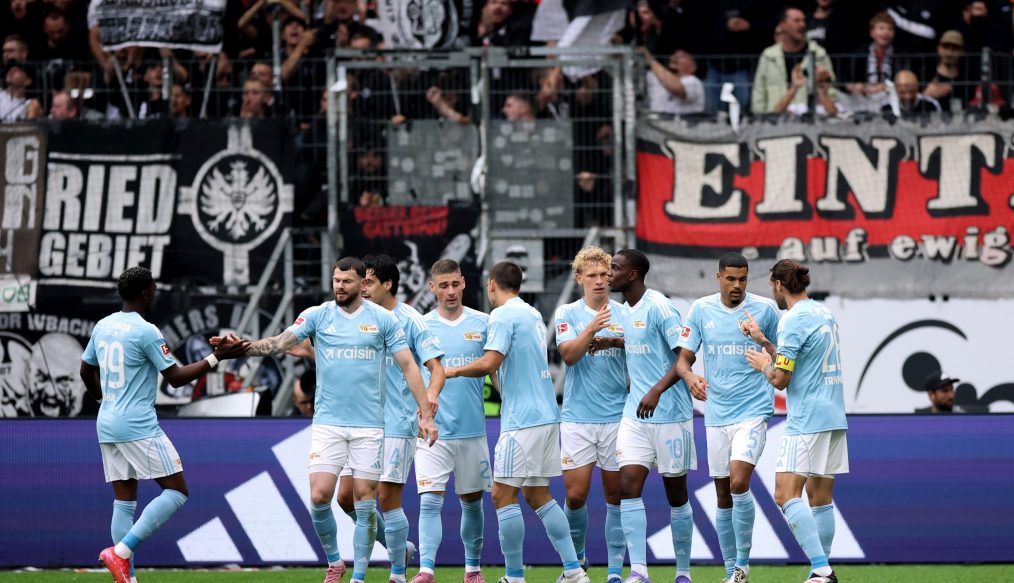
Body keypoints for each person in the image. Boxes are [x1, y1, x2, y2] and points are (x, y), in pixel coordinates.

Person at [218, 256, 439, 583]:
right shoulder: (317, 316)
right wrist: (244, 348)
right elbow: (280, 343)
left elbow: (409, 366)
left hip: (370, 427)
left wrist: (426, 414)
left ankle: (362, 577)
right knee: (322, 496)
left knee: (367, 499)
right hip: (328, 424)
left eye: (347, 281)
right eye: (336, 280)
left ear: (362, 283)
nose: (339, 286)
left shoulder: (384, 320)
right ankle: (335, 560)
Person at [81, 266, 247, 583]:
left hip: (107, 423)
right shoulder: (146, 331)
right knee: (176, 492)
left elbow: (85, 371)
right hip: (138, 425)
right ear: (146, 292)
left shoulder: (104, 326)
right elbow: (175, 378)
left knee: (124, 501)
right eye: (154, 289)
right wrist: (217, 358)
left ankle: (126, 578)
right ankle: (121, 552)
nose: (155, 293)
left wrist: (105, 401)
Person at [445, 261, 590, 583]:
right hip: (546, 415)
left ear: (491, 284)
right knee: (538, 495)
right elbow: (510, 368)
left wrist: (451, 371)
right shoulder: (531, 313)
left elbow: (490, 362)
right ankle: (574, 571)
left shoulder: (502, 315)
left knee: (501, 496)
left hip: (523, 421)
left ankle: (514, 576)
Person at [674, 253, 780, 583]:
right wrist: (690, 378)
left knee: (738, 482)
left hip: (752, 410)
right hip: (717, 415)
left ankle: (743, 564)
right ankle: (732, 570)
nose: (737, 285)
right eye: (731, 279)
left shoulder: (764, 310)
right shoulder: (701, 310)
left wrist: (763, 341)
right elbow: (683, 360)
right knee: (722, 495)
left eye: (743, 279)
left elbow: (785, 355)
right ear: (718, 277)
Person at [743, 259, 846, 583]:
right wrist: (764, 342)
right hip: (833, 415)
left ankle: (822, 569)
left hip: (807, 418)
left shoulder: (792, 320)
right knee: (819, 499)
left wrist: (763, 364)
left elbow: (781, 379)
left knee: (786, 495)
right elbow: (798, 360)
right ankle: (820, 571)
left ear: (777, 284)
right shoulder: (821, 312)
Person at [598, 249, 695, 583]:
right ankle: (638, 570)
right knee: (628, 486)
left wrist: (656, 390)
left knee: (676, 494)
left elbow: (685, 355)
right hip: (634, 415)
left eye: (615, 268)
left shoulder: (661, 307)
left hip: (670, 415)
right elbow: (639, 341)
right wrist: (612, 340)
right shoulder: (626, 310)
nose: (609, 273)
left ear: (633, 274)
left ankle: (683, 572)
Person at [410, 259, 494, 583]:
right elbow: (410, 372)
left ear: (463, 283)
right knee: (429, 500)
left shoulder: (484, 322)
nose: (450, 291)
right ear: (432, 288)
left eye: (454, 284)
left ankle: (472, 570)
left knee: (472, 503)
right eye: (442, 286)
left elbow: (495, 369)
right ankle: (426, 571)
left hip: (472, 429)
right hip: (433, 430)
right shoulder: (421, 326)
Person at [552, 247, 628, 582]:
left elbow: (642, 353)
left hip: (616, 417)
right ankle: (578, 562)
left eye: (604, 275)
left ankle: (614, 572)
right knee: (575, 495)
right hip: (577, 418)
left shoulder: (626, 313)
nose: (599, 281)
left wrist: (618, 341)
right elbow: (568, 355)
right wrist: (594, 328)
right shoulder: (568, 313)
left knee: (616, 496)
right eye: (592, 275)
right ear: (579, 278)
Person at [751, 7, 837, 114]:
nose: (802, 25)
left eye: (803, 21)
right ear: (782, 25)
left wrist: (821, 88)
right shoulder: (768, 56)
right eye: (796, 21)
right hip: (774, 124)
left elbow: (832, 96)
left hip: (811, 124)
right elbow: (759, 93)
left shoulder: (819, 54)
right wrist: (759, 118)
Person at [642, 48, 705, 115]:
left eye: (682, 56)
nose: (675, 57)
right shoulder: (659, 76)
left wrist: (651, 61)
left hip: (682, 123)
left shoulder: (694, 81)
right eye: (674, 55)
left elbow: (676, 87)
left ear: (693, 66)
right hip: (654, 122)